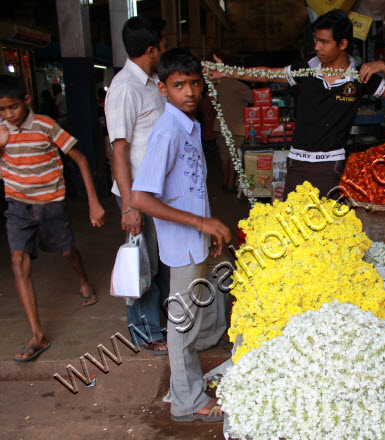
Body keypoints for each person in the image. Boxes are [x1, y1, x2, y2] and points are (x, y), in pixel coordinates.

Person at [208, 8, 385, 198]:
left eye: (324, 42)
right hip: (297, 163)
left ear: (342, 44)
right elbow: (267, 73)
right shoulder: (306, 69)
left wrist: (384, 67)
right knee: (294, 229)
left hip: (330, 166)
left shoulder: (359, 76)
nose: (317, 47)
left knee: (326, 229)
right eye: (316, 40)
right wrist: (229, 71)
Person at [131, 48, 231, 422]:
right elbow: (141, 197)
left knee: (200, 306)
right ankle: (189, 402)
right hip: (181, 242)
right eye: (178, 85)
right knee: (182, 324)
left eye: (194, 83)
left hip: (194, 240)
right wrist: (200, 224)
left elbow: (188, 188)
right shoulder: (168, 131)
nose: (188, 91)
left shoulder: (187, 125)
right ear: (162, 89)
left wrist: (206, 226)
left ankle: (185, 385)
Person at [0, 74, 106, 362]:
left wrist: (93, 202)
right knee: (18, 260)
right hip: (18, 205)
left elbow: (81, 160)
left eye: (13, 107)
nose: (8, 115)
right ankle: (38, 335)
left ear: (27, 101)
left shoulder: (46, 125)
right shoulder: (1, 130)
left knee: (66, 250)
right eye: (2, 110)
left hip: (50, 204)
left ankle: (83, 279)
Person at [104, 16, 170, 355]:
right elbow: (119, 150)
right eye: (162, 44)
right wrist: (129, 206)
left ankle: (159, 320)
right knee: (143, 263)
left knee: (160, 260)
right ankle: (144, 332)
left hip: (156, 192)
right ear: (151, 49)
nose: (164, 49)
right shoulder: (124, 89)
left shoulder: (152, 81)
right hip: (137, 195)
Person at [209, 54, 253, 192]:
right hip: (236, 128)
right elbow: (254, 98)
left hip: (220, 126)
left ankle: (225, 182)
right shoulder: (238, 85)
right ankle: (230, 184)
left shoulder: (218, 85)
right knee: (235, 157)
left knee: (225, 156)